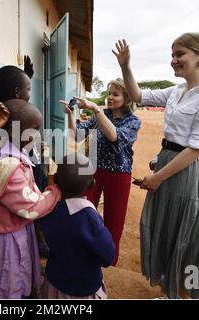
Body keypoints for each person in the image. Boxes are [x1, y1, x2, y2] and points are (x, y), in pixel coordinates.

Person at [113, 33, 199, 298]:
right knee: (166, 226)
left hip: (186, 168)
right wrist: (125, 66)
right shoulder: (176, 91)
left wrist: (158, 177)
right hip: (167, 160)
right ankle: (169, 288)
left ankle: (184, 293)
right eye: (172, 55)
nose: (173, 60)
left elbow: (197, 148)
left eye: (180, 54)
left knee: (186, 231)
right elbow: (138, 96)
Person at [0, 99, 61, 299]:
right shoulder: (11, 166)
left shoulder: (11, 153)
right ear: (12, 130)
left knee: (19, 275)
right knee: (11, 282)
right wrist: (56, 192)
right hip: (9, 237)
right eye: (33, 129)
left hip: (15, 228)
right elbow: (31, 206)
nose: (37, 134)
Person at [60, 78, 141, 267]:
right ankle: (82, 254)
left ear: (127, 98)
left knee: (114, 221)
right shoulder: (101, 115)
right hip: (94, 171)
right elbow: (78, 135)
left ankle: (108, 263)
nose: (110, 98)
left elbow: (115, 137)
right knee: (83, 211)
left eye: (115, 94)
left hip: (119, 175)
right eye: (109, 93)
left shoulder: (133, 121)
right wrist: (71, 115)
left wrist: (96, 110)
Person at [39, 154, 115, 299]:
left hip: (53, 285)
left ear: (55, 179)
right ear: (91, 184)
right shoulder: (89, 219)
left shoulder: (48, 208)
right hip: (83, 290)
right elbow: (108, 256)